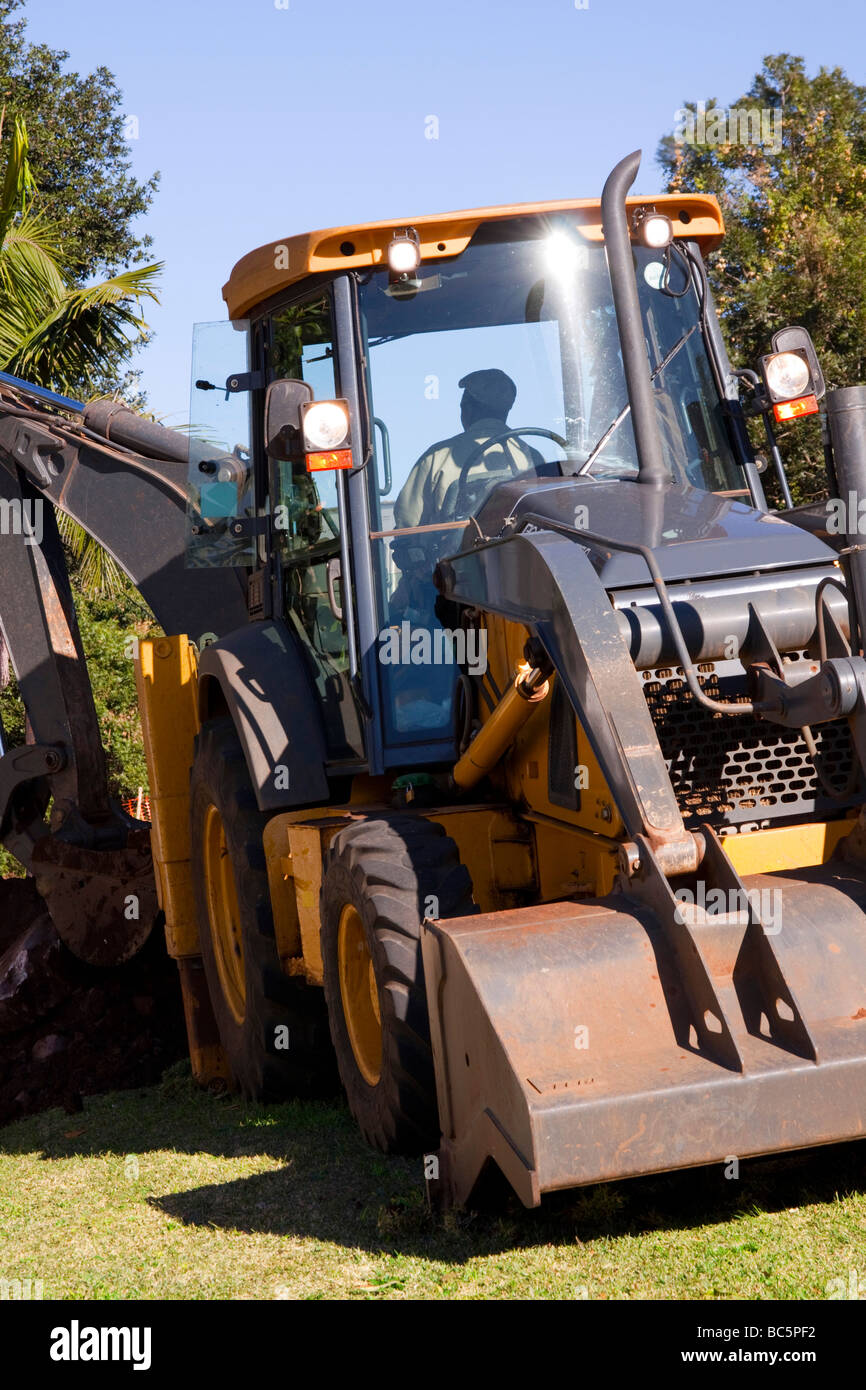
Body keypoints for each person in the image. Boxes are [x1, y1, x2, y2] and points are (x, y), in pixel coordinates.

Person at [393, 369, 544, 529]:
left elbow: (407, 526)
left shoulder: (437, 457)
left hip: (457, 554)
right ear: (506, 410)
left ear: (467, 409)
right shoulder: (533, 458)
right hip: (521, 553)